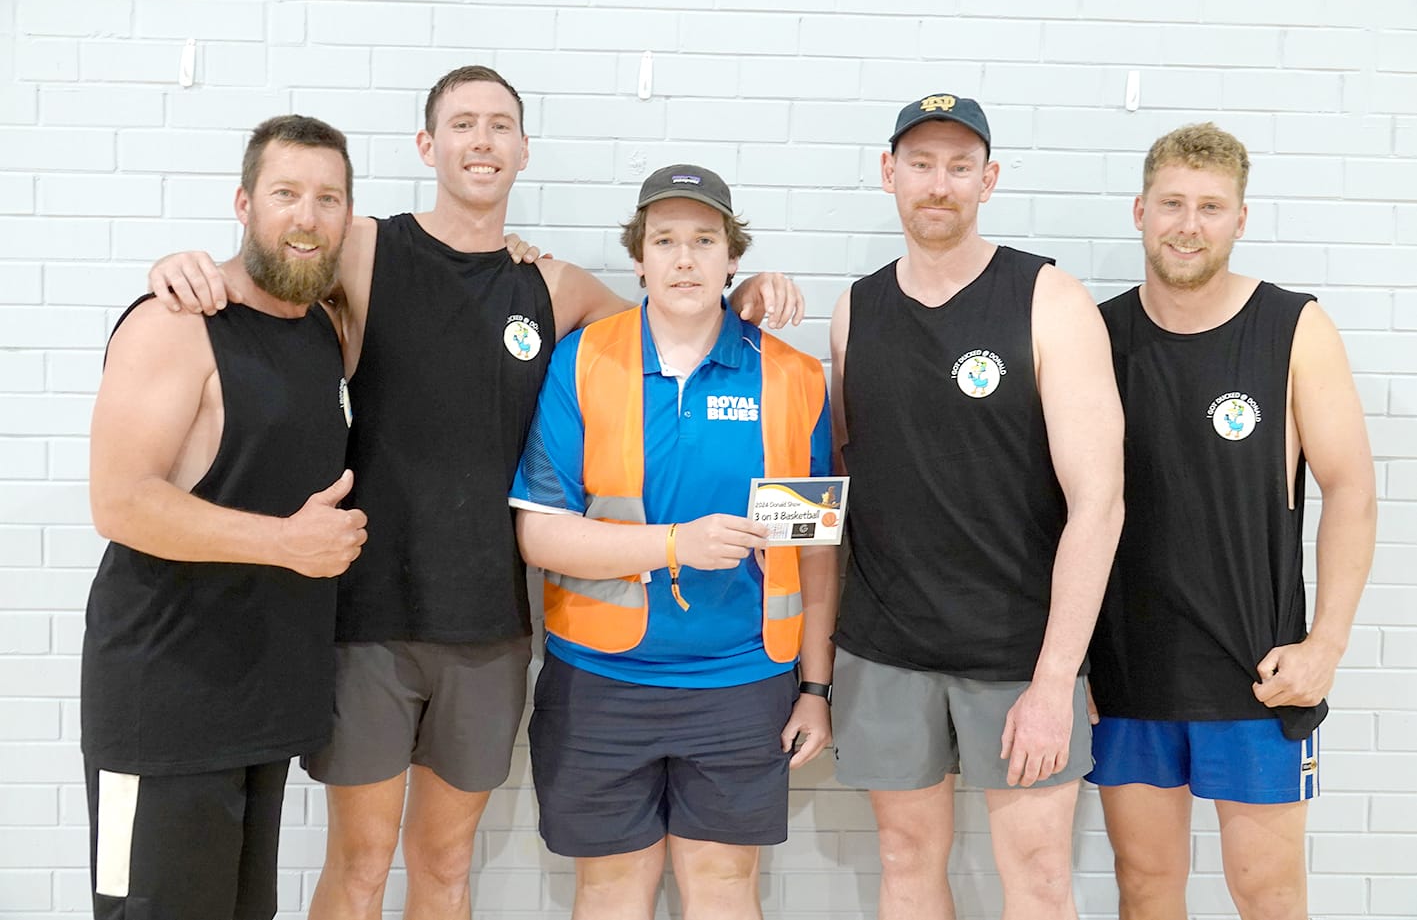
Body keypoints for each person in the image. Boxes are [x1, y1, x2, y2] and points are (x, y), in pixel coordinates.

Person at [146, 67, 802, 920]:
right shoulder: (367, 246)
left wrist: (746, 297)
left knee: (446, 864)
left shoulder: (553, 285)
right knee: (359, 861)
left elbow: (671, 321)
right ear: (428, 146)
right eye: (461, 124)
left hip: (487, 624)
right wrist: (187, 264)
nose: (482, 140)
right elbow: (274, 263)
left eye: (500, 125)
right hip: (369, 612)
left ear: (523, 149)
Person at [508, 164, 835, 920]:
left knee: (723, 889)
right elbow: (540, 534)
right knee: (611, 891)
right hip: (599, 681)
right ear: (639, 258)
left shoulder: (788, 376)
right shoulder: (584, 361)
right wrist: (673, 545)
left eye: (703, 240)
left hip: (743, 684)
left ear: (731, 257)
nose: (684, 259)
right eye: (664, 241)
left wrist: (814, 689)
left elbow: (813, 551)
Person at [827, 94, 1125, 920]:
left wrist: (1055, 678)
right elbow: (847, 476)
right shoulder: (855, 308)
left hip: (1018, 654)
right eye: (920, 164)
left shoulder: (1046, 298)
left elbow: (1099, 503)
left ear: (987, 180)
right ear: (888, 173)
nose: (938, 184)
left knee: (1034, 874)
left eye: (960, 167)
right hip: (885, 646)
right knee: (904, 858)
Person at [1085, 123, 1377, 920]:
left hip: (1258, 674)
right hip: (1127, 672)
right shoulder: (1094, 334)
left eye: (1210, 207)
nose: (1188, 223)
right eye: (1172, 203)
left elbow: (1350, 488)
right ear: (1139, 210)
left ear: (1240, 219)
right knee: (1145, 888)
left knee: (1267, 893)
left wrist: (1326, 644)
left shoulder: (1291, 327)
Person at [82, 115, 367, 920]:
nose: (306, 217)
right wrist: (286, 542)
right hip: (161, 706)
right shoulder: (174, 322)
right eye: (285, 194)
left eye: (327, 198)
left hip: (261, 705)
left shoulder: (319, 328)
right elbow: (120, 499)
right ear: (243, 204)